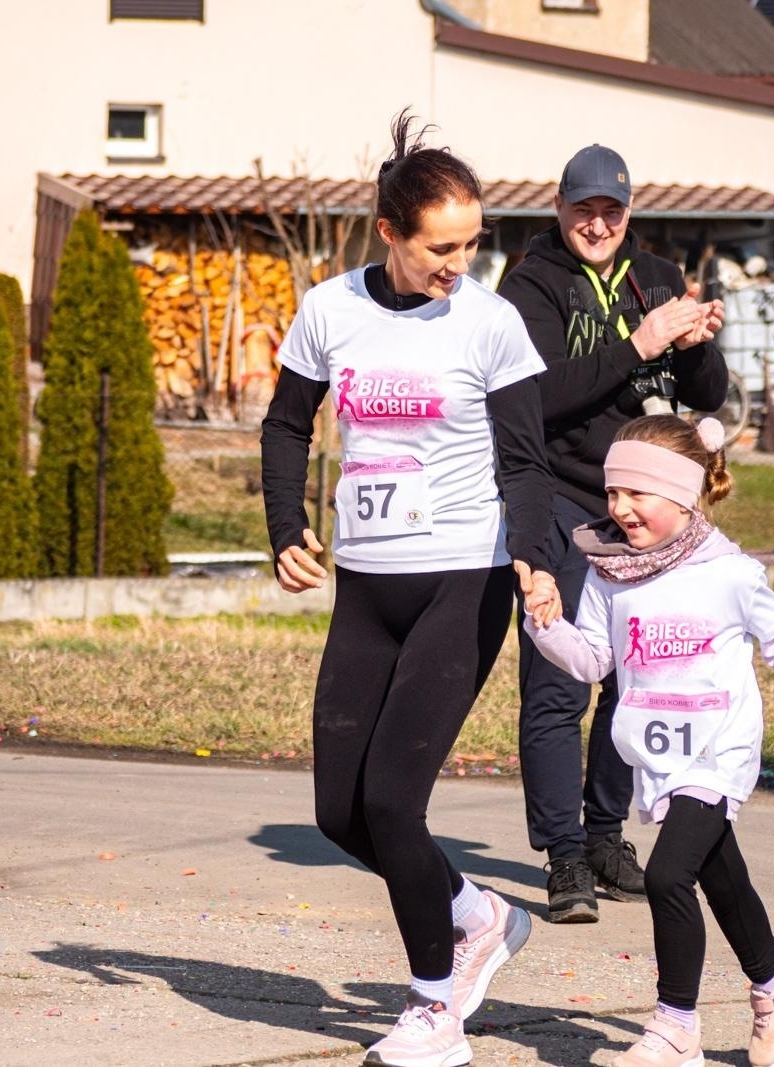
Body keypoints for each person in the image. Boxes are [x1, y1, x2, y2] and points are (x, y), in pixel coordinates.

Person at [260, 110, 562, 1067]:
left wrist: (531, 552)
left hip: (462, 583)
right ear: (388, 231)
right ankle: (479, 916)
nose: (460, 263)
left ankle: (436, 1009)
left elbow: (526, 459)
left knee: (394, 801)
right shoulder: (328, 309)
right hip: (367, 585)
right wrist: (285, 531)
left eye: (474, 243)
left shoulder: (491, 321)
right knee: (339, 814)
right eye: (441, 246)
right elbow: (284, 428)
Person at [520, 413, 774, 1067]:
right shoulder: (610, 571)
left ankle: (675, 1028)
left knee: (670, 873)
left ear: (682, 492)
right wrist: (543, 624)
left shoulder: (728, 571)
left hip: (720, 747)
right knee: (720, 875)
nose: (620, 508)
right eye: (613, 493)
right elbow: (591, 662)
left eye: (637, 494)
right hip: (660, 754)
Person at [497, 143, 729, 923]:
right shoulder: (529, 285)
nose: (597, 224)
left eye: (612, 210)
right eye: (583, 209)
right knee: (559, 681)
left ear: (629, 213)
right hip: (566, 496)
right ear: (558, 208)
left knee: (632, 677)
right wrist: (640, 343)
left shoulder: (658, 277)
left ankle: (604, 837)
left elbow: (704, 391)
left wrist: (698, 345)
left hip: (651, 507)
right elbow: (538, 394)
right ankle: (564, 856)